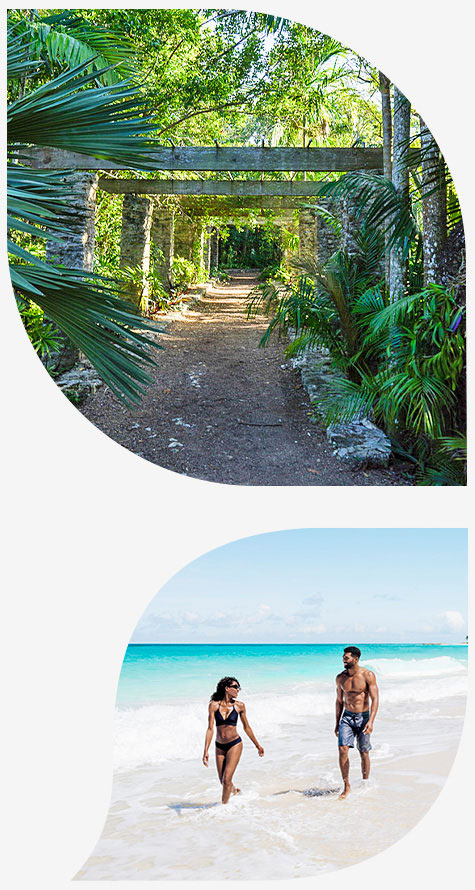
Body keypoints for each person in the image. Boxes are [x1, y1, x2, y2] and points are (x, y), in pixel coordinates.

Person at [202, 676, 264, 804]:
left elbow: (247, 727)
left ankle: (224, 808)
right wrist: (205, 751)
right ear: (227, 688)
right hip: (219, 746)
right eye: (235, 687)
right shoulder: (214, 706)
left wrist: (257, 745)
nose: (238, 690)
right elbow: (210, 729)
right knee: (223, 780)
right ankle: (235, 791)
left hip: (234, 744)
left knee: (226, 780)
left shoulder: (239, 706)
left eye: (238, 687)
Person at [334, 646, 379, 800]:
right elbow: (339, 701)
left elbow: (375, 699)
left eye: (346, 658)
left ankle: (365, 782)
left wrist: (371, 721)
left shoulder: (368, 675)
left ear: (356, 659)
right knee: (342, 749)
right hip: (346, 718)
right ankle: (346, 786)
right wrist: (336, 723)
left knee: (363, 751)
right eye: (343, 658)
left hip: (364, 717)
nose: (343, 660)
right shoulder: (340, 678)